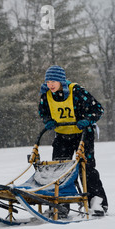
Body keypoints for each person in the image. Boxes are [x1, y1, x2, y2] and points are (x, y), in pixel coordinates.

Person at [38, 65, 108, 216]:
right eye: (48, 81)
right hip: (62, 135)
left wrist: (87, 119)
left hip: (82, 134)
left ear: (61, 81)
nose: (50, 85)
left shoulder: (76, 91)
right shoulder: (46, 95)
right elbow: (42, 112)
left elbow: (98, 109)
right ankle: (61, 204)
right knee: (59, 169)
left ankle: (97, 202)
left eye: (53, 81)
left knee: (86, 168)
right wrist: (48, 120)